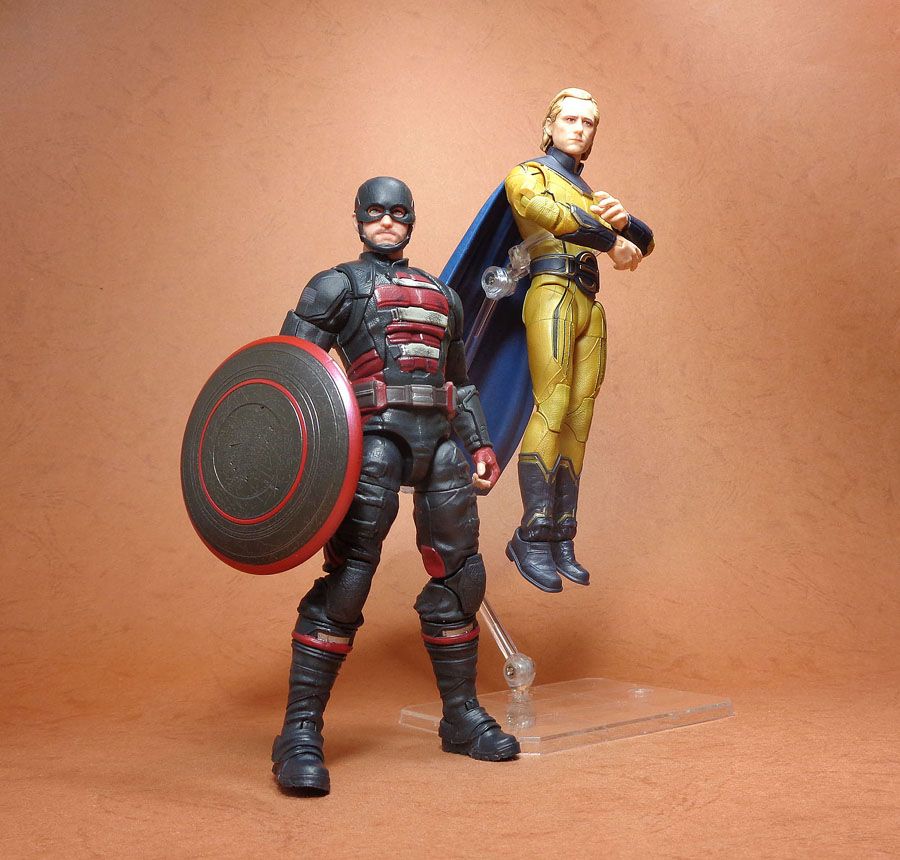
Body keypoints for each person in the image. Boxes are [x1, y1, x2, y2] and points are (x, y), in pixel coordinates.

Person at [272, 176, 520, 795]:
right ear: (359, 218)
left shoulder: (442, 294)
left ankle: (461, 717)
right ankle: (299, 732)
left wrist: (480, 442)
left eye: (399, 213)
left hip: (440, 448)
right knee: (350, 579)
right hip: (374, 445)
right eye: (376, 212)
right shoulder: (337, 286)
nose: (387, 222)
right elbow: (291, 372)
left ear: (412, 221)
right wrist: (293, 457)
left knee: (461, 578)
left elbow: (460, 381)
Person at [501, 87, 656, 593]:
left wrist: (626, 222)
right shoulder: (529, 173)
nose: (579, 128)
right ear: (549, 125)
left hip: (589, 303)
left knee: (579, 415)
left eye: (588, 123)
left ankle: (560, 532)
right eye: (570, 119)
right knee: (553, 403)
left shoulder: (592, 195)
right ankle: (530, 533)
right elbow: (548, 214)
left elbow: (646, 243)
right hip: (552, 291)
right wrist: (612, 239)